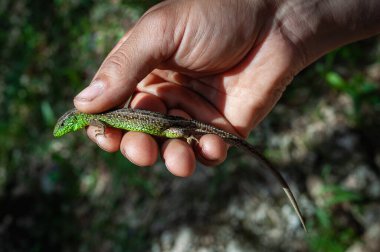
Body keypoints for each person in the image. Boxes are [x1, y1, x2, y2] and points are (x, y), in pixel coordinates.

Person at [73, 0, 380, 177]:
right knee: (183, 136)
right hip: (166, 123)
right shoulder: (100, 116)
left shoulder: (94, 116)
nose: (65, 126)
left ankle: (193, 132)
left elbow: (101, 122)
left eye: (65, 122)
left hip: (168, 125)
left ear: (73, 120)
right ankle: (193, 132)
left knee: (180, 133)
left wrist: (277, 13)